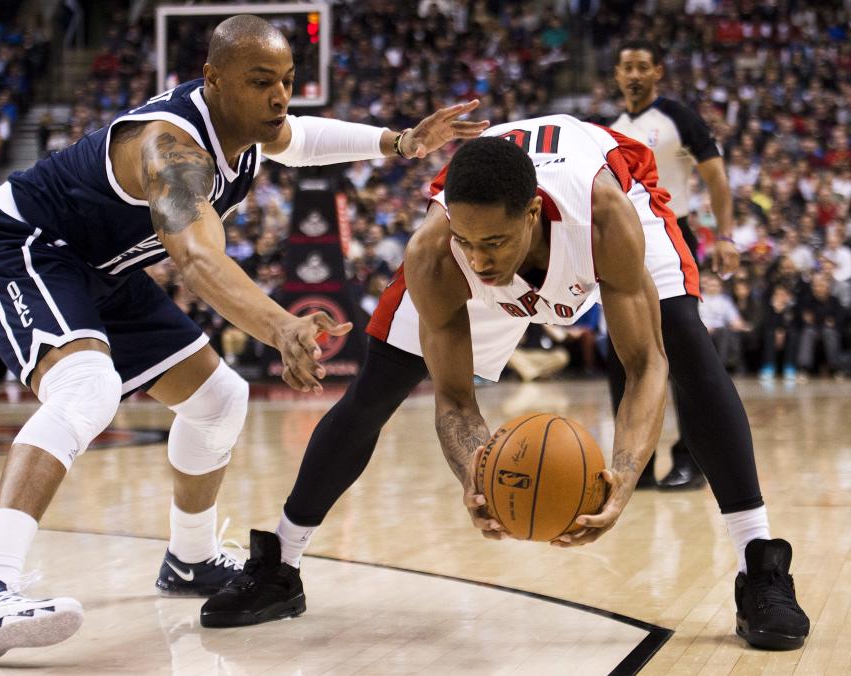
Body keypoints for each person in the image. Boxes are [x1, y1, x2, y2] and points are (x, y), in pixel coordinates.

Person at [0, 14, 486, 665]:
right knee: (88, 387)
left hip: (102, 272)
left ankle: (190, 559)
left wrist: (399, 142)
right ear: (213, 79)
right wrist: (281, 325)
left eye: (285, 80)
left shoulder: (251, 130)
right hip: (19, 245)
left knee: (219, 399)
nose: (279, 96)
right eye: (261, 82)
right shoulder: (173, 151)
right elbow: (197, 261)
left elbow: (300, 137)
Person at [201, 118, 810, 652]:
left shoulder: (605, 217)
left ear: (532, 214)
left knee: (685, 345)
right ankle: (279, 565)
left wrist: (624, 474)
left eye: (493, 242)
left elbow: (644, 364)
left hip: (607, 196)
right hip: (492, 214)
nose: (482, 259)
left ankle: (759, 566)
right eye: (468, 241)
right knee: (374, 391)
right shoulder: (439, 253)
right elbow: (455, 399)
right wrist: (475, 473)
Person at [610, 38, 739, 489]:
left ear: (658, 72)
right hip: (623, 242)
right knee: (622, 354)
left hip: (672, 235)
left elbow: (717, 179)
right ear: (616, 75)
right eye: (627, 67)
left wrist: (724, 236)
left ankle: (690, 460)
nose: (634, 75)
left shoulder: (677, 117)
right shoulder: (613, 126)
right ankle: (635, 466)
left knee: (681, 351)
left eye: (643, 66)